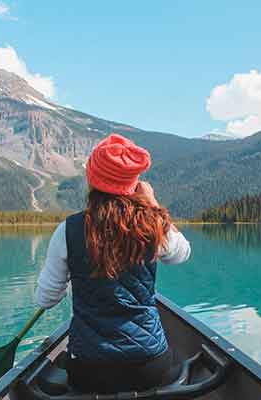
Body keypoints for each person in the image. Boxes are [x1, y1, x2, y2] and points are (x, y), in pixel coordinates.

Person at [34, 133, 191, 393]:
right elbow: (181, 253)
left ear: (92, 179)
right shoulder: (151, 225)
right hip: (149, 364)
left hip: (89, 369)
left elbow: (46, 299)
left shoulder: (68, 230)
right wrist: (152, 204)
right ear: (134, 182)